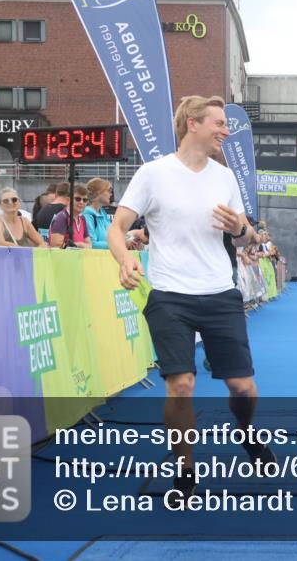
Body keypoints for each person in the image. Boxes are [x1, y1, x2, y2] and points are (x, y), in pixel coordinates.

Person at [107, 95, 272, 493]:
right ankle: (185, 468)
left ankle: (247, 431)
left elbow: (249, 236)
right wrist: (124, 259)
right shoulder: (153, 173)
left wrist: (238, 227)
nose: (225, 131)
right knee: (180, 385)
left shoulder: (225, 177)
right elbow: (118, 227)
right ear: (192, 124)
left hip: (219, 293)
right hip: (169, 295)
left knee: (242, 388)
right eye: (219, 123)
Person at [49, 184, 92, 249]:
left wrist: (76, 245)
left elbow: (89, 245)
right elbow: (56, 245)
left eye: (85, 200)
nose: (81, 202)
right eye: (78, 199)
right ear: (68, 200)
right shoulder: (61, 217)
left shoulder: (82, 219)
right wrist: (80, 245)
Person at [83, 177, 114, 249]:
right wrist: (119, 246)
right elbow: (92, 244)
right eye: (109, 191)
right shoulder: (87, 215)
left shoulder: (103, 213)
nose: (111, 194)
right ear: (99, 193)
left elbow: (113, 236)